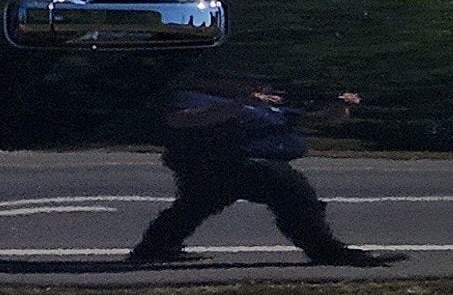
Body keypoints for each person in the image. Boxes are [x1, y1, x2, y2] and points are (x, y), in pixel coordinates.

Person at [125, 76, 395, 267]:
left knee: (197, 205)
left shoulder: (270, 103)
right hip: (217, 162)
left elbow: (315, 120)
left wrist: (340, 108)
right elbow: (183, 120)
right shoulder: (191, 97)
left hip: (241, 165)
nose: (256, 87)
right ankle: (326, 250)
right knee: (291, 191)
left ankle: (154, 248)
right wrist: (237, 104)